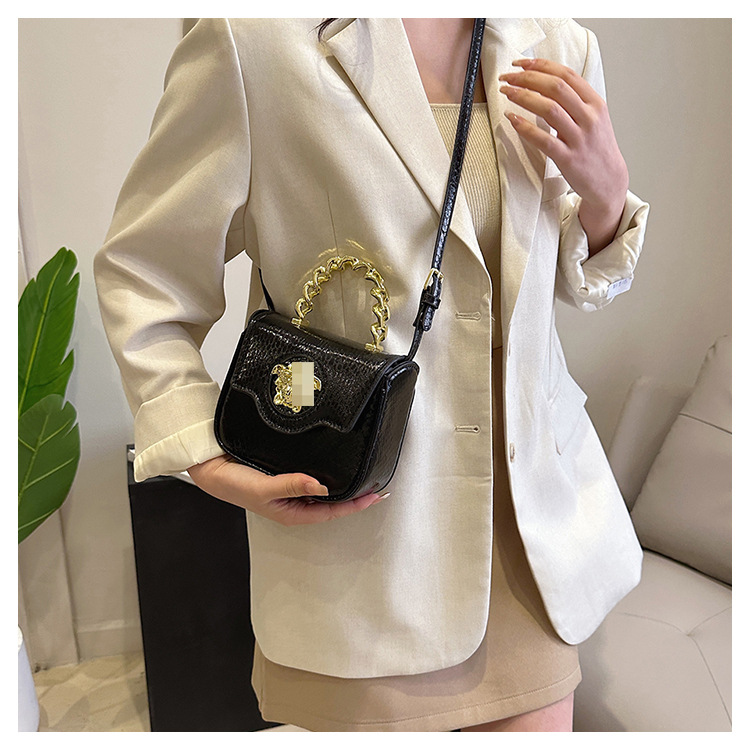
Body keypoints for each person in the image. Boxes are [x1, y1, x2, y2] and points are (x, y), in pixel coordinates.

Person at [94, 18, 649, 732]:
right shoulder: (255, 39)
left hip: (534, 533)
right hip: (369, 541)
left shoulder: (560, 43)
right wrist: (200, 451)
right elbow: (144, 275)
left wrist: (607, 196)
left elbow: (561, 277)